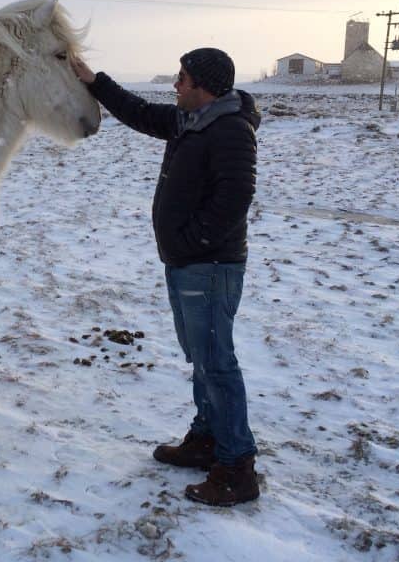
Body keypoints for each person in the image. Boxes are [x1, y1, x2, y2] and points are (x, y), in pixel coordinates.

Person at [71, 47, 262, 507]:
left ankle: (237, 468)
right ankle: (207, 440)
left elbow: (234, 199)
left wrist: (191, 242)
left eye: (182, 78)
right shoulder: (190, 121)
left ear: (205, 86)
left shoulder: (230, 130)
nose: (175, 85)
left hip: (210, 266)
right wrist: (93, 80)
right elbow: (137, 112)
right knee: (202, 358)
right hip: (187, 263)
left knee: (217, 362)